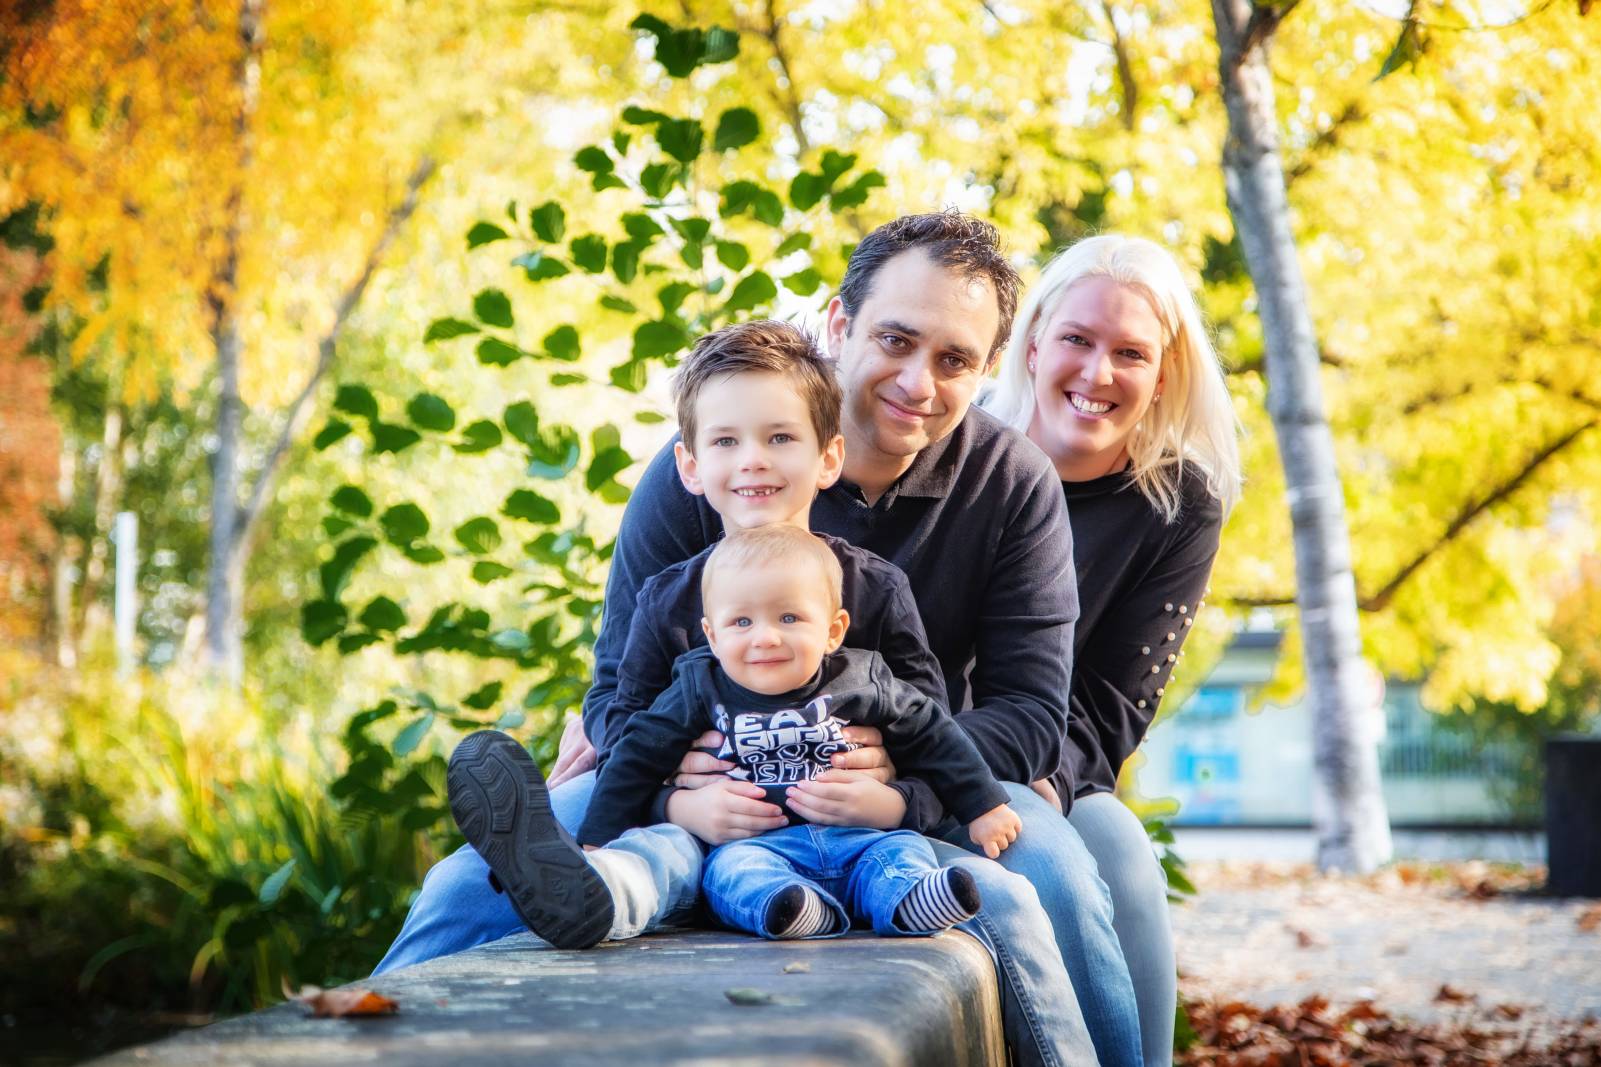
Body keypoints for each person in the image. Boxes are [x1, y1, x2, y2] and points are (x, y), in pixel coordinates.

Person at [377, 213, 1136, 1067]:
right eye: (895, 339)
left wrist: (888, 772)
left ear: (989, 367)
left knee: (1058, 878)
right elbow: (612, 691)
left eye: (955, 358)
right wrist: (671, 786)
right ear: (842, 324)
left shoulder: (1008, 485)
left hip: (885, 785)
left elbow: (1031, 715)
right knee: (463, 885)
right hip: (692, 770)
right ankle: (355, 1044)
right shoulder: (705, 463)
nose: (919, 382)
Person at [980, 234, 1243, 1066]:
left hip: (1045, 763)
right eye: (1076, 340)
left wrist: (1025, 777)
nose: (1097, 374)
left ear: (1163, 372)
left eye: (1130, 352)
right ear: (1031, 342)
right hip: (914, 736)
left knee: (1117, 843)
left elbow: (1111, 706)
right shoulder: (955, 449)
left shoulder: (1176, 504)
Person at [580, 524, 1021, 941]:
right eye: (741, 623)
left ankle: (910, 900)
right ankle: (795, 910)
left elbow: (934, 735)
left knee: (901, 853)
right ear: (712, 638)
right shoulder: (698, 688)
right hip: (758, 846)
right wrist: (599, 837)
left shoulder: (862, 678)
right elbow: (635, 754)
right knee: (731, 873)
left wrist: (984, 804)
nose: (766, 638)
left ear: (833, 631)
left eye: (789, 618)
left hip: (860, 837)